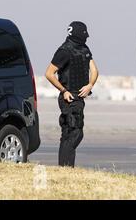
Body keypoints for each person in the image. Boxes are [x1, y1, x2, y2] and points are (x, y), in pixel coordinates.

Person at [45, 21, 99, 167]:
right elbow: (49, 73)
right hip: (68, 97)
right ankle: (65, 168)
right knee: (73, 132)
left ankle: (67, 167)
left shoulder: (84, 49)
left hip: (79, 98)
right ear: (78, 34)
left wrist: (90, 85)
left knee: (73, 133)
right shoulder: (64, 51)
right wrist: (63, 91)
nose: (87, 38)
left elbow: (94, 70)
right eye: (84, 35)